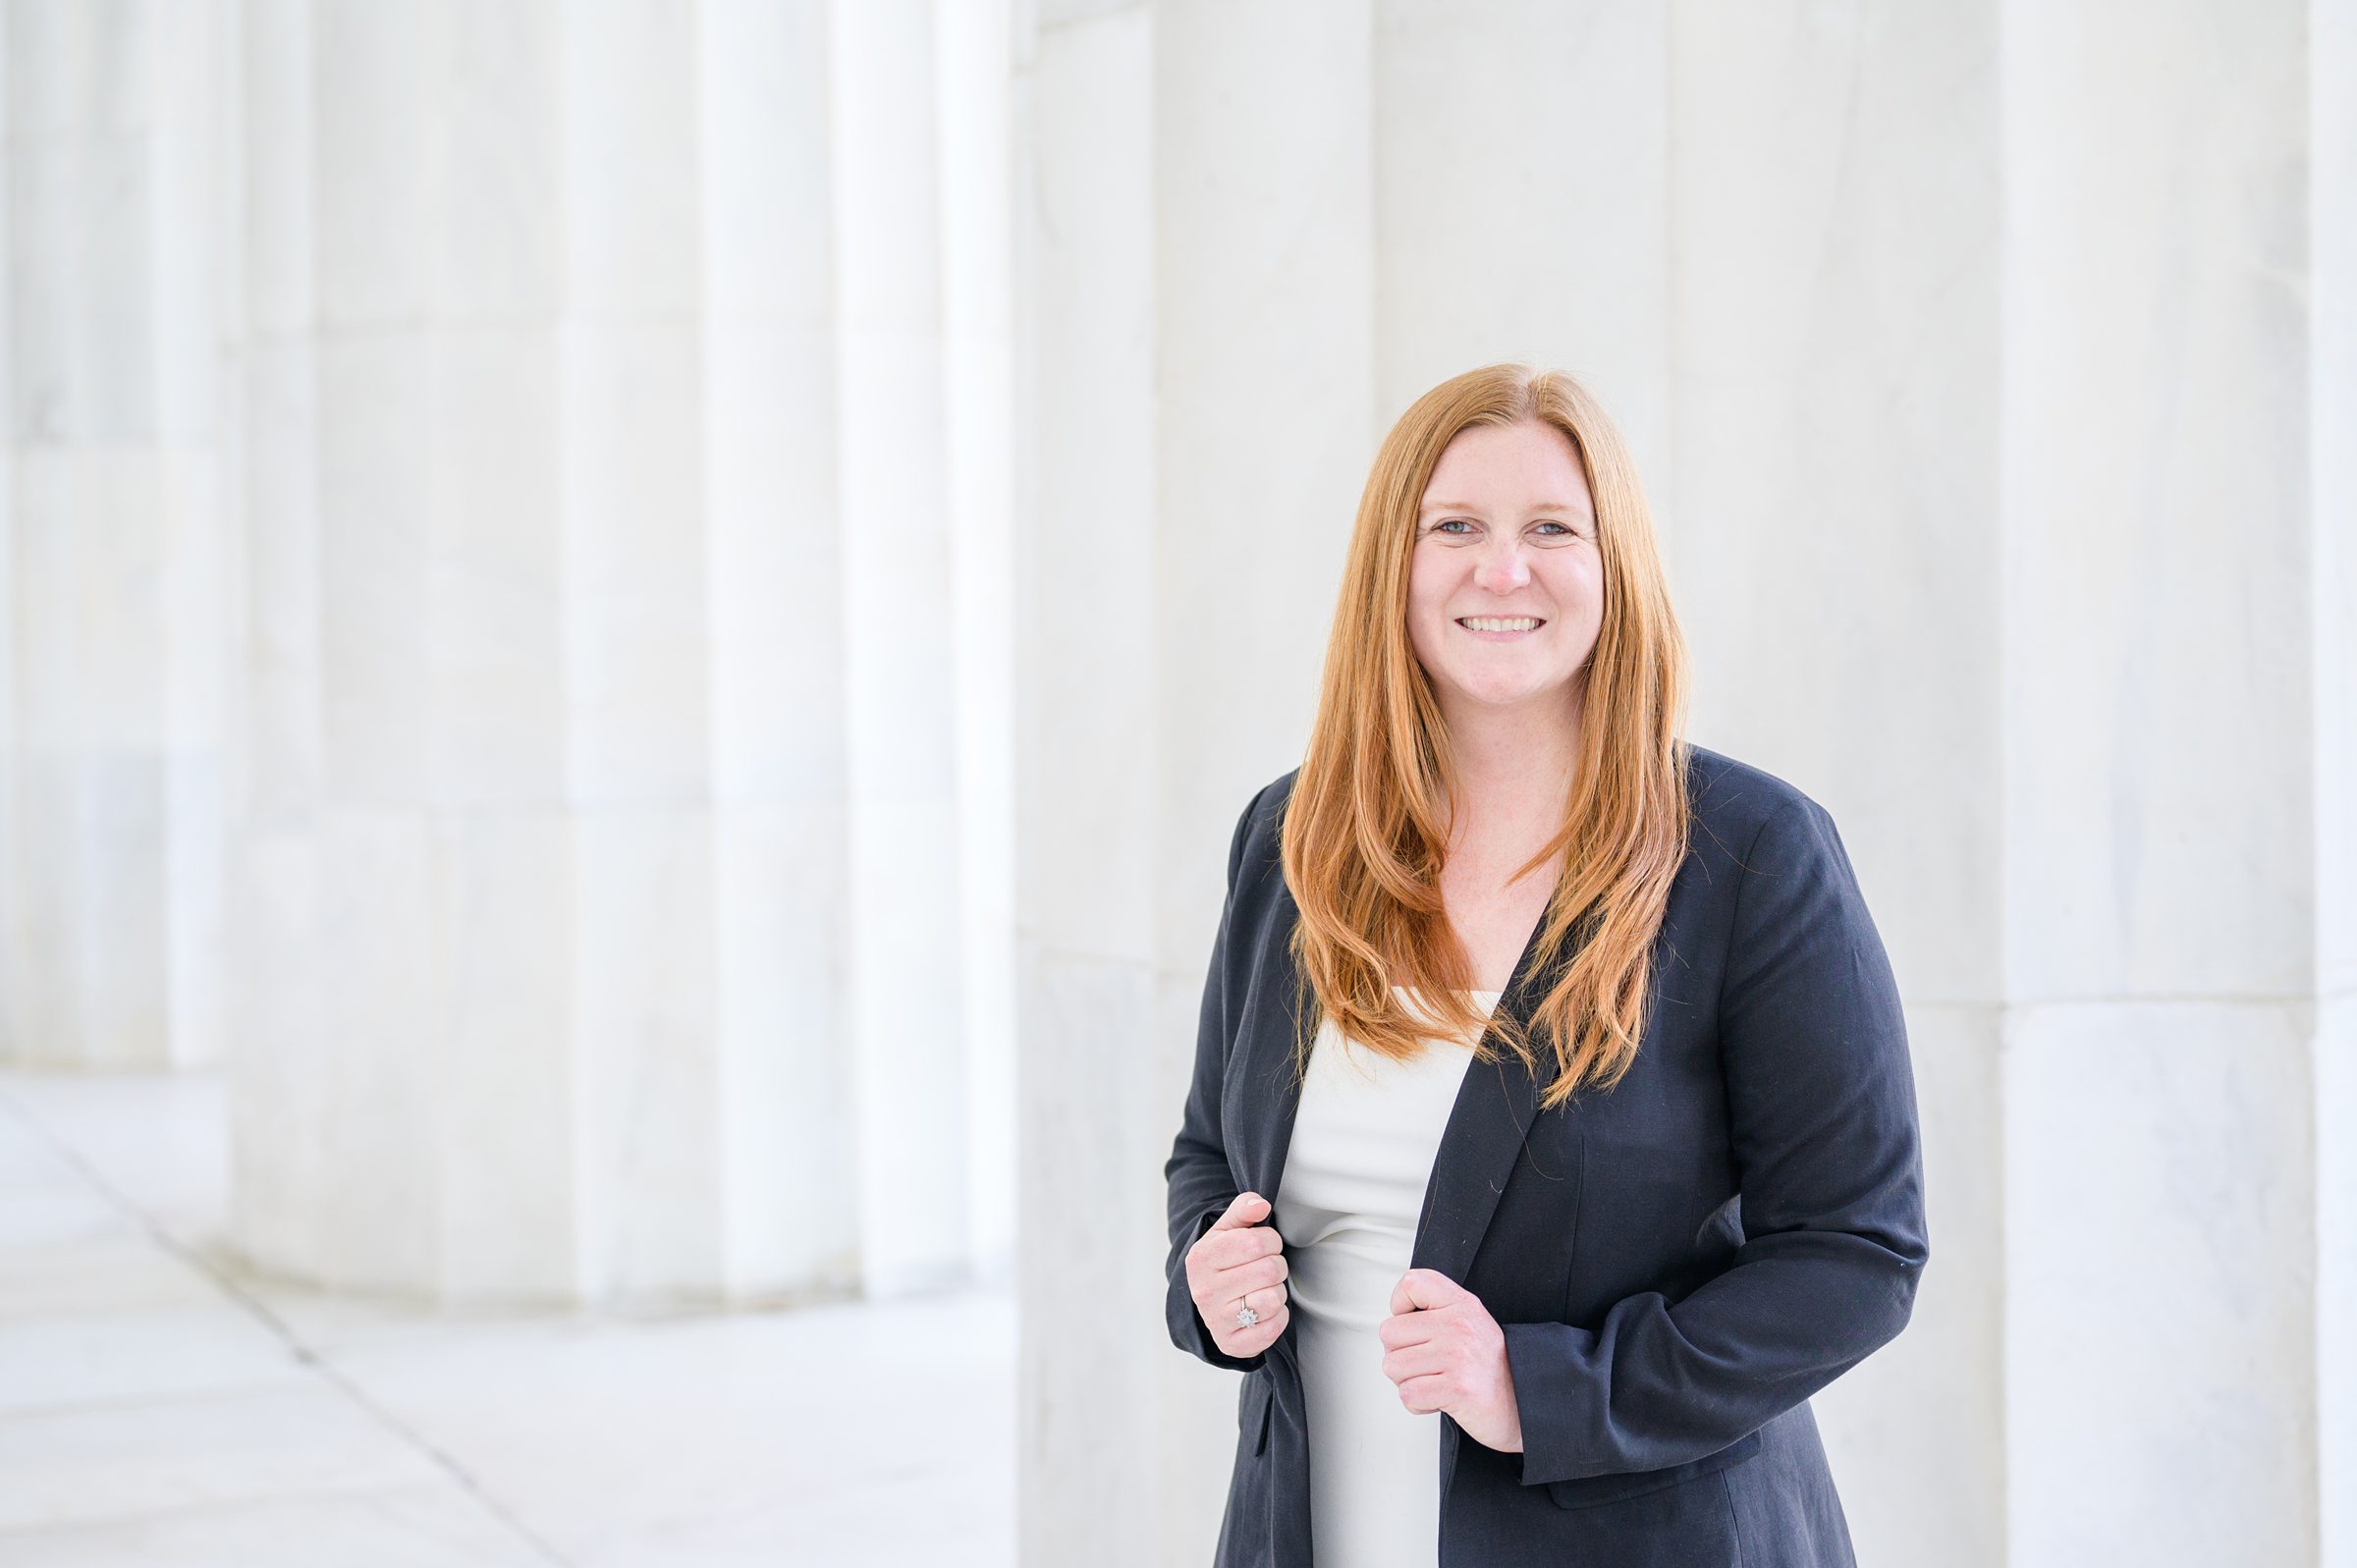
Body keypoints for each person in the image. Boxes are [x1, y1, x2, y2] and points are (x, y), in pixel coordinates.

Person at [1162, 363, 1930, 1567]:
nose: (1501, 569)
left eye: (1551, 529)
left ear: (1612, 563)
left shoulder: (1750, 854)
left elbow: (1857, 1251)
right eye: (1455, 526)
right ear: (1392, 567)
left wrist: (1543, 1388)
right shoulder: (1292, 837)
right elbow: (1211, 1150)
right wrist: (1210, 1275)